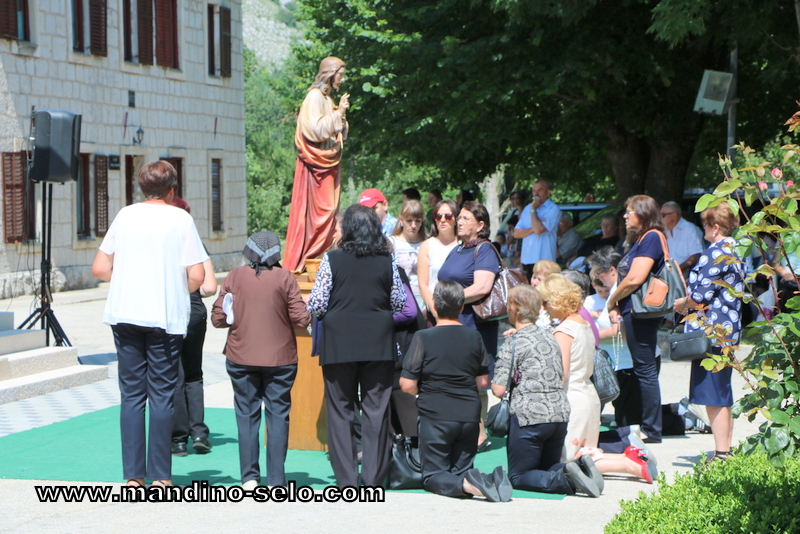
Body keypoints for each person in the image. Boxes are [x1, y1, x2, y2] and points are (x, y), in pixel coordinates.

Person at [91, 160, 207, 489]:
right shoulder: (180, 219)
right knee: (161, 396)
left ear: (141, 188)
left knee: (131, 396)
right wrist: (167, 284)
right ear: (173, 190)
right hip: (164, 317)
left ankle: (133, 477)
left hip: (126, 313)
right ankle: (161, 477)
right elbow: (197, 276)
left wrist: (130, 280)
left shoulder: (125, 215)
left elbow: (100, 267)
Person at [307, 204, 405, 488]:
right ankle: (373, 480)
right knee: (377, 411)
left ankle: (347, 482)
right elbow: (398, 302)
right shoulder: (387, 261)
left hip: (339, 343)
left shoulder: (332, 258)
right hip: (378, 342)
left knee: (340, 411)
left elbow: (317, 303)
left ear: (347, 230)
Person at [211, 231, 311, 488]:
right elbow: (301, 319)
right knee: (278, 415)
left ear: (249, 250)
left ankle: (249, 478)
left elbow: (218, 319)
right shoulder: (285, 277)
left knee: (246, 415)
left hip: (240, 356)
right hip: (280, 359)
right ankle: (277, 480)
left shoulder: (234, 276)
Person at [539, 274, 657, 485]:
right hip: (588, 394)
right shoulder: (583, 322)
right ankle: (631, 459)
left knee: (571, 460)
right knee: (585, 453)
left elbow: (561, 373)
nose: (545, 308)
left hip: (573, 397)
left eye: (546, 302)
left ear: (556, 300)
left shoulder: (563, 330)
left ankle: (628, 463)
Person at [400, 280, 510, 501]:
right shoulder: (474, 336)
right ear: (462, 307)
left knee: (433, 476)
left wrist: (428, 389)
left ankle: (473, 484)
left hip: (436, 413)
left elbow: (407, 384)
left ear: (434, 305)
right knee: (459, 471)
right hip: (469, 415)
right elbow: (482, 382)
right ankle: (484, 479)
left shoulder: (424, 337)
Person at [492, 284, 602, 497]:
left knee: (518, 476)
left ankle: (565, 477)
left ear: (514, 309)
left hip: (529, 417)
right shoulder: (551, 336)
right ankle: (575, 469)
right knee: (545, 467)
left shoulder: (513, 342)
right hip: (559, 414)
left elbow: (498, 389)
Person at [673, 203, 744, 463]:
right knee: (722, 391)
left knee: (713, 395)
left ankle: (722, 452)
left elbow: (700, 296)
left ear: (716, 227)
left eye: (704, 223)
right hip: (729, 328)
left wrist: (682, 304)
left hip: (711, 331)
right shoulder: (736, 249)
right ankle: (725, 448)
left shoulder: (714, 252)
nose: (703, 227)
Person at [438, 201, 501, 451]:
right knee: (455, 380)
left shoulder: (484, 250)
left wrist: (450, 300)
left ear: (481, 225)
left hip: (474, 325)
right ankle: (461, 430)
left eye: (465, 218)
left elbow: (482, 287)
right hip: (453, 323)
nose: (459, 222)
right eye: (459, 218)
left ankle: (479, 433)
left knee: (476, 382)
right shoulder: (459, 249)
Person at [607, 195, 667, 444]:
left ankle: (652, 429)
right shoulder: (640, 240)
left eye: (629, 212)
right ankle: (649, 425)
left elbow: (634, 278)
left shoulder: (652, 237)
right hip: (635, 311)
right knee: (643, 368)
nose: (625, 216)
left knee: (645, 370)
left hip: (641, 313)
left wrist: (612, 300)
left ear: (643, 213)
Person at [283, 57, 350, 271]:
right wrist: (338, 115)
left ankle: (322, 258)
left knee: (331, 213)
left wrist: (341, 117)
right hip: (316, 168)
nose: (342, 78)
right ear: (330, 74)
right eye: (340, 74)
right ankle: (309, 259)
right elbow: (313, 129)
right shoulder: (314, 97)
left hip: (328, 163)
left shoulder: (328, 100)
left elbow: (337, 130)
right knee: (322, 212)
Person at [169, 197, 218, 457]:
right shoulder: (196, 245)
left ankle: (177, 440)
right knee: (194, 373)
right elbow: (210, 286)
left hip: (169, 312)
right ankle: (199, 432)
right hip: (195, 311)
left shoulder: (161, 245)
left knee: (174, 376)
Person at [418, 199, 459, 322]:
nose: (442, 220)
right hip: (435, 311)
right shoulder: (427, 246)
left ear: (456, 219)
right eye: (438, 216)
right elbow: (423, 285)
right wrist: (436, 312)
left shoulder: (464, 245)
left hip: (460, 310)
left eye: (448, 216)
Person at [515, 180, 561, 283]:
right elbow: (516, 233)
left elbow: (539, 230)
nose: (536, 194)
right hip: (527, 259)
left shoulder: (553, 209)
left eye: (539, 190)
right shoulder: (527, 208)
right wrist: (536, 224)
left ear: (548, 192)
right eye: (534, 190)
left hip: (545, 259)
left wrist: (533, 210)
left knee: (544, 291)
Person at [389, 200, 427, 311]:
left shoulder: (427, 243)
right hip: (402, 305)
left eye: (417, 221)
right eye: (409, 221)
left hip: (424, 303)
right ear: (401, 220)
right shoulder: (392, 243)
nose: (413, 225)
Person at [661, 201, 704, 275]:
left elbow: (696, 255)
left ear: (674, 215)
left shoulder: (690, 229)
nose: (660, 218)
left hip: (687, 273)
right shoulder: (663, 231)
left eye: (663, 215)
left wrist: (677, 270)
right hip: (668, 274)